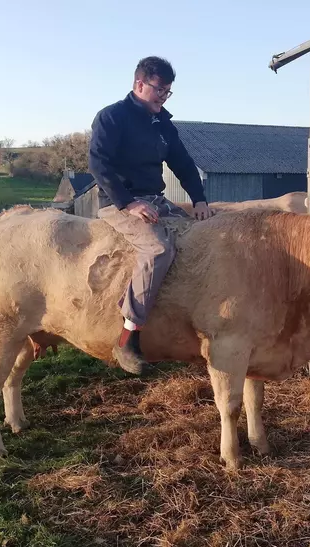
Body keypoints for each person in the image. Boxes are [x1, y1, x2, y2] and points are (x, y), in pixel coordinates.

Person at [88, 55, 212, 374]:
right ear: (140, 84)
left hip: (155, 199)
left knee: (202, 235)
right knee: (158, 249)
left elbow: (183, 164)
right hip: (118, 203)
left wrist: (198, 200)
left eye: (168, 91)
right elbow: (99, 165)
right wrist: (128, 203)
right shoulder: (112, 117)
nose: (163, 97)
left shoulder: (162, 124)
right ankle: (128, 337)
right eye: (159, 90)